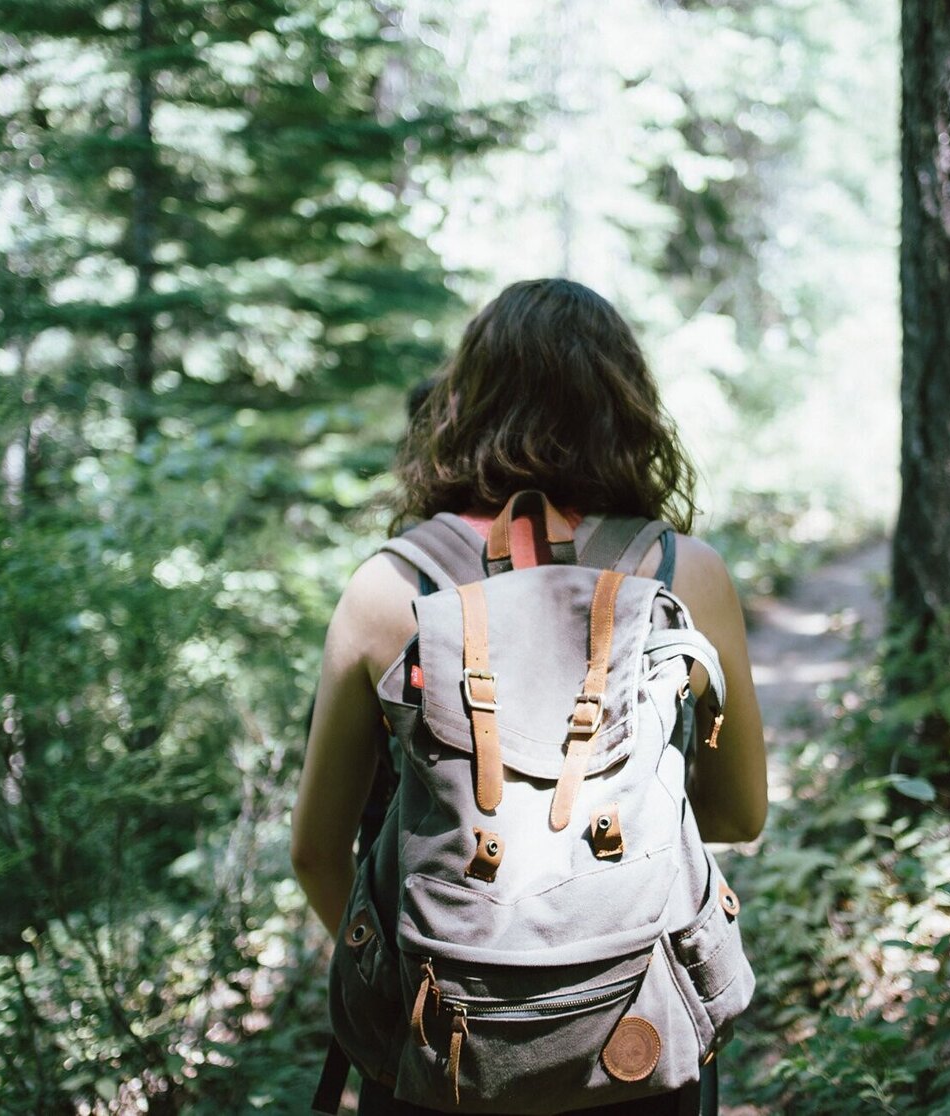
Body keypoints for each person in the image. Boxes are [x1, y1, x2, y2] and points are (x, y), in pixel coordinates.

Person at [291, 278, 767, 1116]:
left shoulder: (387, 587)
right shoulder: (684, 574)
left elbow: (315, 851)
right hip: (635, 1040)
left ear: (463, 404)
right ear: (625, 408)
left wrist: (426, 978)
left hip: (440, 1049)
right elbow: (737, 817)